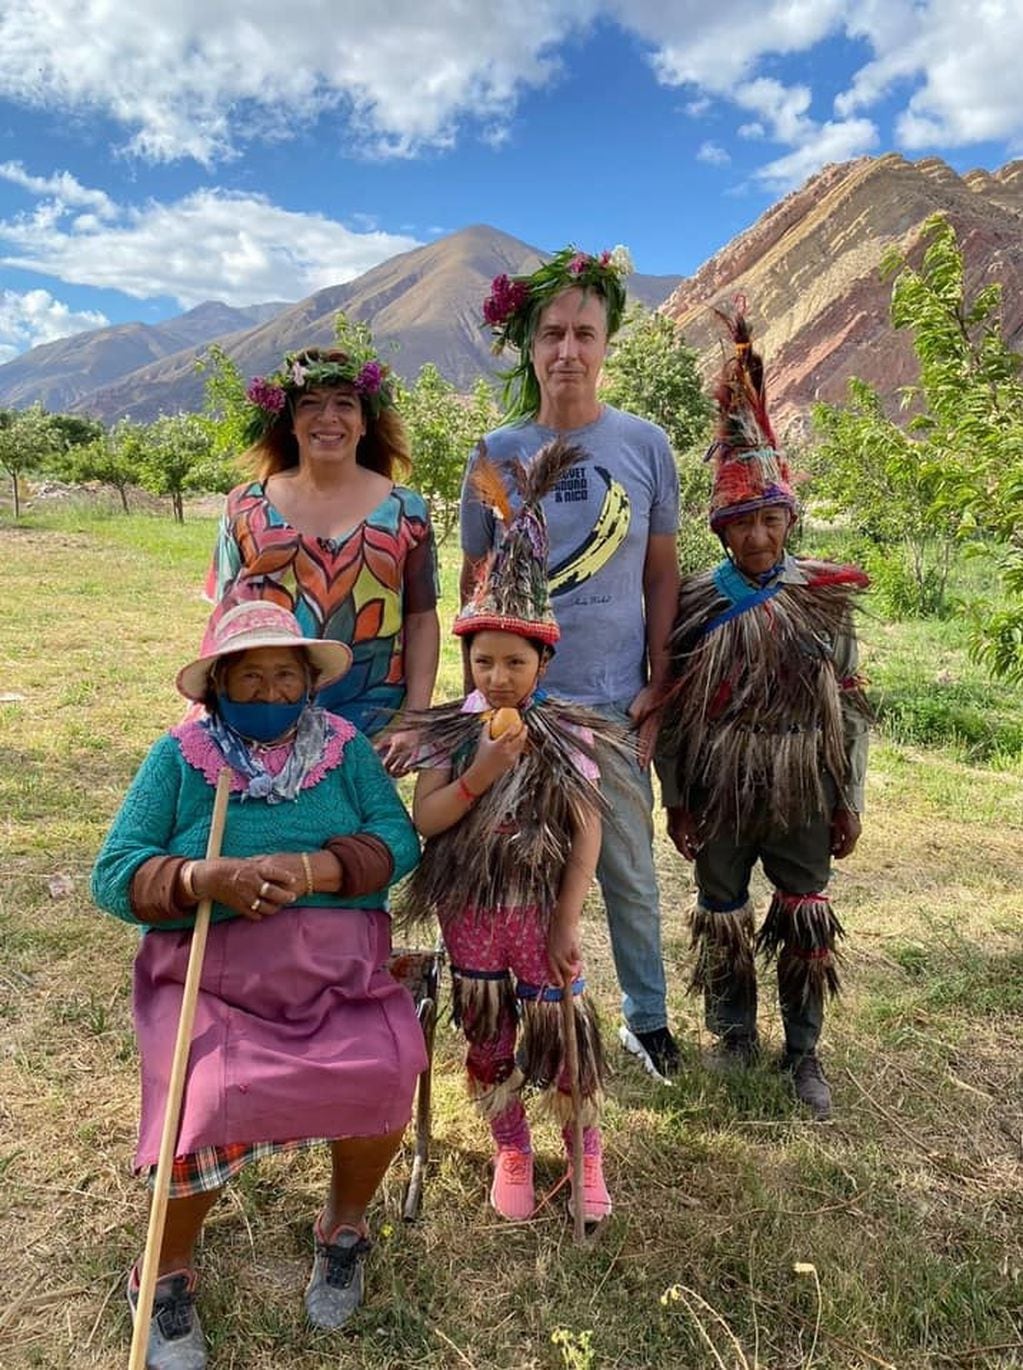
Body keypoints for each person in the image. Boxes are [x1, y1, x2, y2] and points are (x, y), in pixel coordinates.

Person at [91, 599, 425, 1368]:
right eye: (250, 677)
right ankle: (165, 1272)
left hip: (337, 966)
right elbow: (111, 876)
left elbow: (397, 841)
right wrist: (202, 877)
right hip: (210, 973)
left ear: (310, 684)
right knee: (204, 1097)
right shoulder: (179, 759)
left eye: (285, 676)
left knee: (386, 1066)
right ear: (217, 686)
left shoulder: (345, 751)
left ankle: (343, 1229)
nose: (269, 694)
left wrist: (319, 871)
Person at [460, 245, 682, 1082]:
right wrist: (474, 696)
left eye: (584, 333)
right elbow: (473, 580)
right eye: (551, 332)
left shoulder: (644, 445)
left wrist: (658, 680)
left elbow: (660, 572)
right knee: (513, 868)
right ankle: (512, 1014)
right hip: (519, 702)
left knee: (626, 865)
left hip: (611, 701)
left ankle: (646, 1020)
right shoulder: (494, 451)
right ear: (528, 344)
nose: (566, 350)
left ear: (605, 343)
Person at [400, 438, 628, 1223]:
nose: (497, 676)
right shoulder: (449, 734)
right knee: (488, 1029)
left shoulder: (568, 736)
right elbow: (428, 818)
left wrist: (567, 916)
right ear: (467, 659)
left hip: (539, 915)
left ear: (541, 666)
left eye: (514, 664)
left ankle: (584, 1154)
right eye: (484, 661)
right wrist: (482, 773)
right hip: (472, 918)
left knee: (562, 1029)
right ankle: (512, 1147)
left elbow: (586, 830)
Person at [654, 306, 870, 1120]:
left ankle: (803, 1050)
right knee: (721, 911)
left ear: (789, 521)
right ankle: (729, 1032)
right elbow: (672, 710)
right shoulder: (698, 602)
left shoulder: (822, 600)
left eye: (769, 519)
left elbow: (848, 710)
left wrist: (847, 797)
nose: (755, 535)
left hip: (803, 784)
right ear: (721, 528)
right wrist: (676, 794)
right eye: (740, 521)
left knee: (803, 915)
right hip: (717, 782)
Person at [206, 344, 440, 772]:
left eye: (345, 405)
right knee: (266, 836)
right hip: (263, 712)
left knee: (359, 838)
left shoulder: (406, 512)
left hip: (371, 721)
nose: (328, 417)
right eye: (310, 404)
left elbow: (421, 619)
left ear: (365, 422)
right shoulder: (245, 507)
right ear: (291, 422)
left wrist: (414, 719)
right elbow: (224, 623)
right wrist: (216, 709)